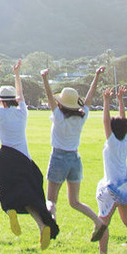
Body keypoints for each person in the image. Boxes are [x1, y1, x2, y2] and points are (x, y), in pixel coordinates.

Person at [0, 59, 59, 250]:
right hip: (24, 159)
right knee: (31, 196)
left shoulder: (0, 114)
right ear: (15, 101)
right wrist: (17, 73)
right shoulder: (22, 113)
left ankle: (10, 210)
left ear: (1, 100)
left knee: (5, 188)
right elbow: (21, 94)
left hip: (5, 157)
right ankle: (42, 225)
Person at [40, 66, 109, 242]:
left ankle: (51, 224)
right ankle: (98, 222)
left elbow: (49, 96)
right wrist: (96, 76)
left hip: (58, 158)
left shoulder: (58, 116)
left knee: (51, 201)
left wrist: (45, 79)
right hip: (75, 160)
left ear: (60, 103)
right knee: (75, 201)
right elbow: (88, 100)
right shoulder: (82, 116)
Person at [95, 86, 127, 254]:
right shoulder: (124, 140)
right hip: (124, 185)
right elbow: (122, 119)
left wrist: (106, 101)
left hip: (111, 189)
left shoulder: (111, 142)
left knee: (102, 223)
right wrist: (120, 100)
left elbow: (105, 121)